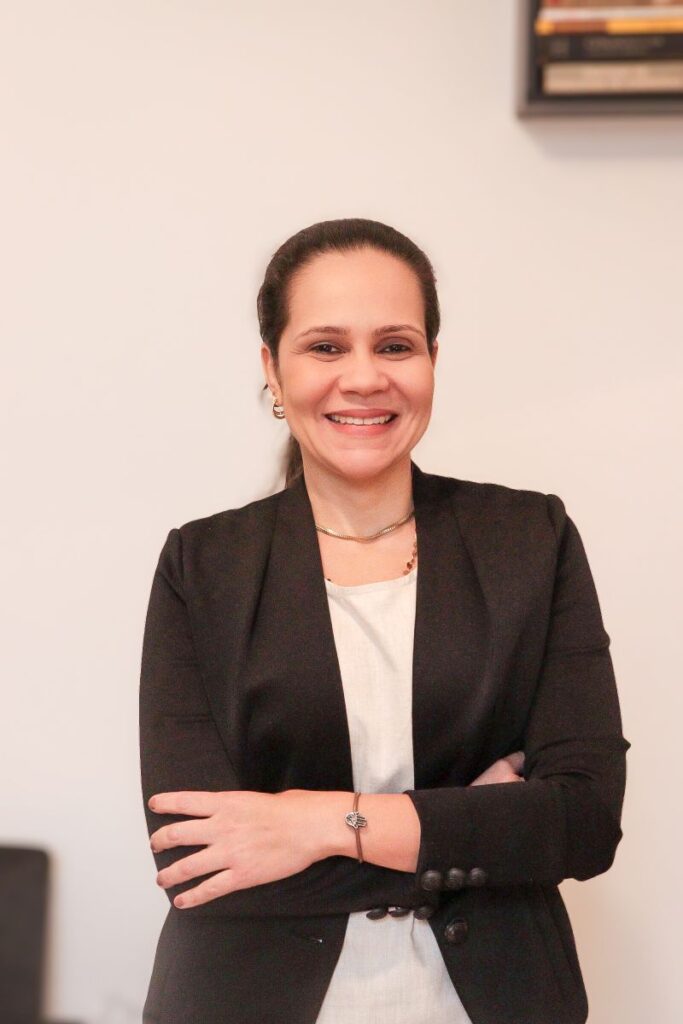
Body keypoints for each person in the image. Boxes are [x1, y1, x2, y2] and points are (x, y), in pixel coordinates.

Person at [139, 218, 630, 1024]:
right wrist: (476, 826)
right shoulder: (203, 565)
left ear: (431, 360)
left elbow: (581, 823)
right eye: (325, 347)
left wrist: (311, 825)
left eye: (395, 346)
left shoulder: (528, 540)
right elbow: (200, 857)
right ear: (272, 369)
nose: (363, 377)